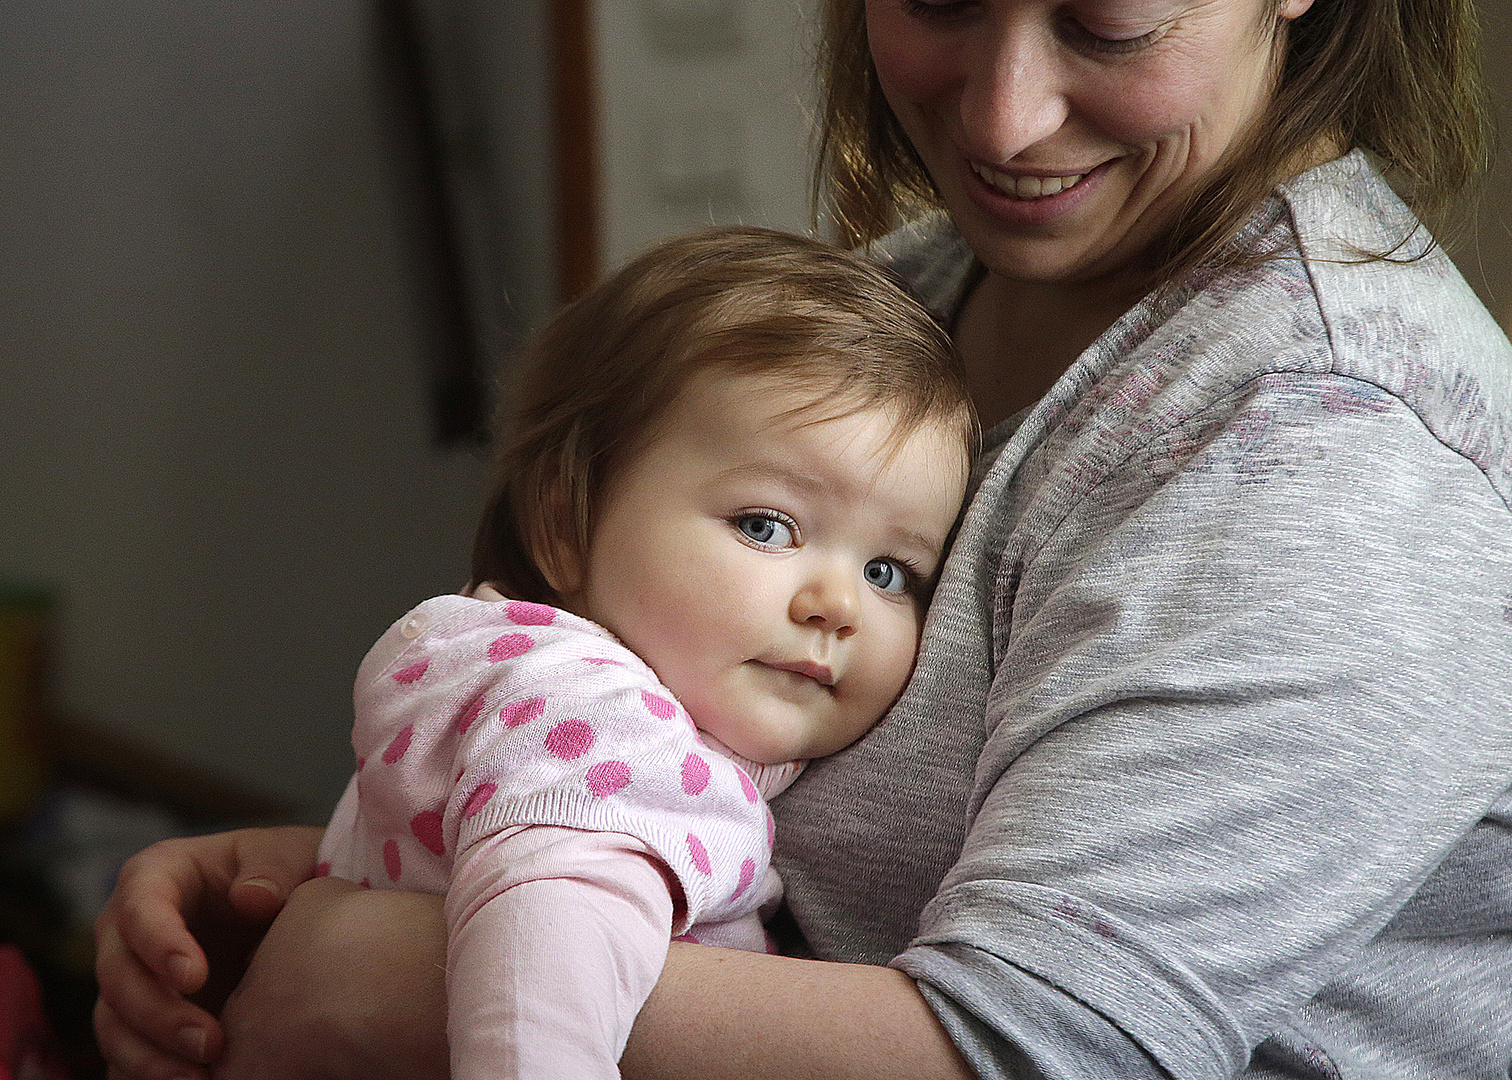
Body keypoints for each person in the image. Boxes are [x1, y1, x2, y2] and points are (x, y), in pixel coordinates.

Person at [94, 0, 1512, 1074]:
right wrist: (361, 859)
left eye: (1107, 22)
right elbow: (693, 751)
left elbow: (1051, 1048)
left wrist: (392, 971)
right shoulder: (927, 289)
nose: (1007, 118)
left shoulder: (1332, 441)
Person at [311, 225, 975, 1080]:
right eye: (766, 526)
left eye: (889, 571)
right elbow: (539, 997)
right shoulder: (605, 730)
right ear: (565, 519)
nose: (837, 605)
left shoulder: (509, 680)